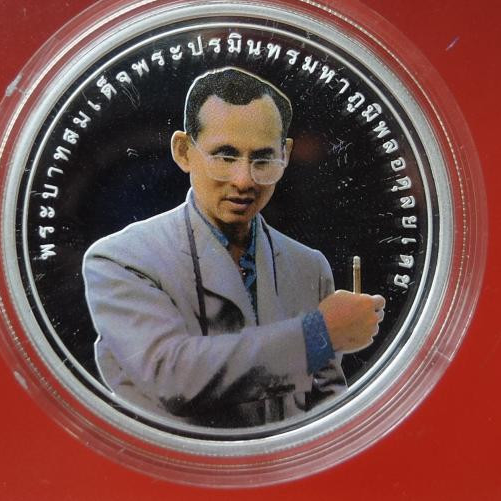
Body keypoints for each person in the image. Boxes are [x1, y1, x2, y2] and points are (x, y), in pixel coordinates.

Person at [83, 67, 385, 429]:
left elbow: (327, 406)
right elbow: (173, 378)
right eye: (225, 156)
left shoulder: (308, 265)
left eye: (263, 159)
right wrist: (317, 335)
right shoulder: (120, 259)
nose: (244, 181)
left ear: (286, 155)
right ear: (183, 151)